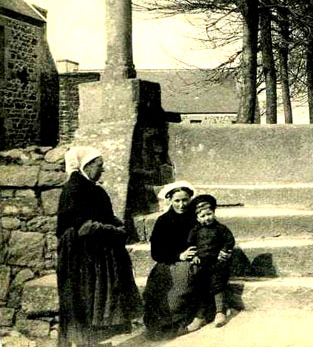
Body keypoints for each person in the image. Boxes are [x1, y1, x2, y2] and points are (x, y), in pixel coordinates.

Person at [56, 147, 141, 347]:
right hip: (79, 252)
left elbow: (104, 215)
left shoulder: (93, 188)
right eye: (99, 166)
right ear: (86, 166)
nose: (102, 170)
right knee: (82, 295)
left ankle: (96, 336)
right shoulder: (74, 190)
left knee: (97, 294)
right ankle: (82, 340)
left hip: (96, 249)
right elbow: (82, 225)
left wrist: (118, 224)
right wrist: (114, 231)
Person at [142, 181, 200, 340]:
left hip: (190, 264)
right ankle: (156, 326)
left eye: (185, 200)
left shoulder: (196, 218)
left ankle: (177, 324)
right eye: (177, 201)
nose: (182, 204)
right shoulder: (163, 221)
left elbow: (207, 239)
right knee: (155, 293)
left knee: (177, 297)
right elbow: (156, 252)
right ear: (170, 200)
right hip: (168, 262)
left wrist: (196, 253)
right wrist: (178, 255)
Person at [185, 194, 236, 331]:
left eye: (209, 214)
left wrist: (225, 251)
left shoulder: (220, 228)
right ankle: (200, 316)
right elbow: (190, 244)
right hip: (201, 264)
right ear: (197, 218)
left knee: (217, 285)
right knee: (201, 287)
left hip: (217, 263)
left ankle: (220, 312)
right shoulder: (195, 230)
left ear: (213, 213)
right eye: (203, 216)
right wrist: (193, 255)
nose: (207, 218)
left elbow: (229, 240)